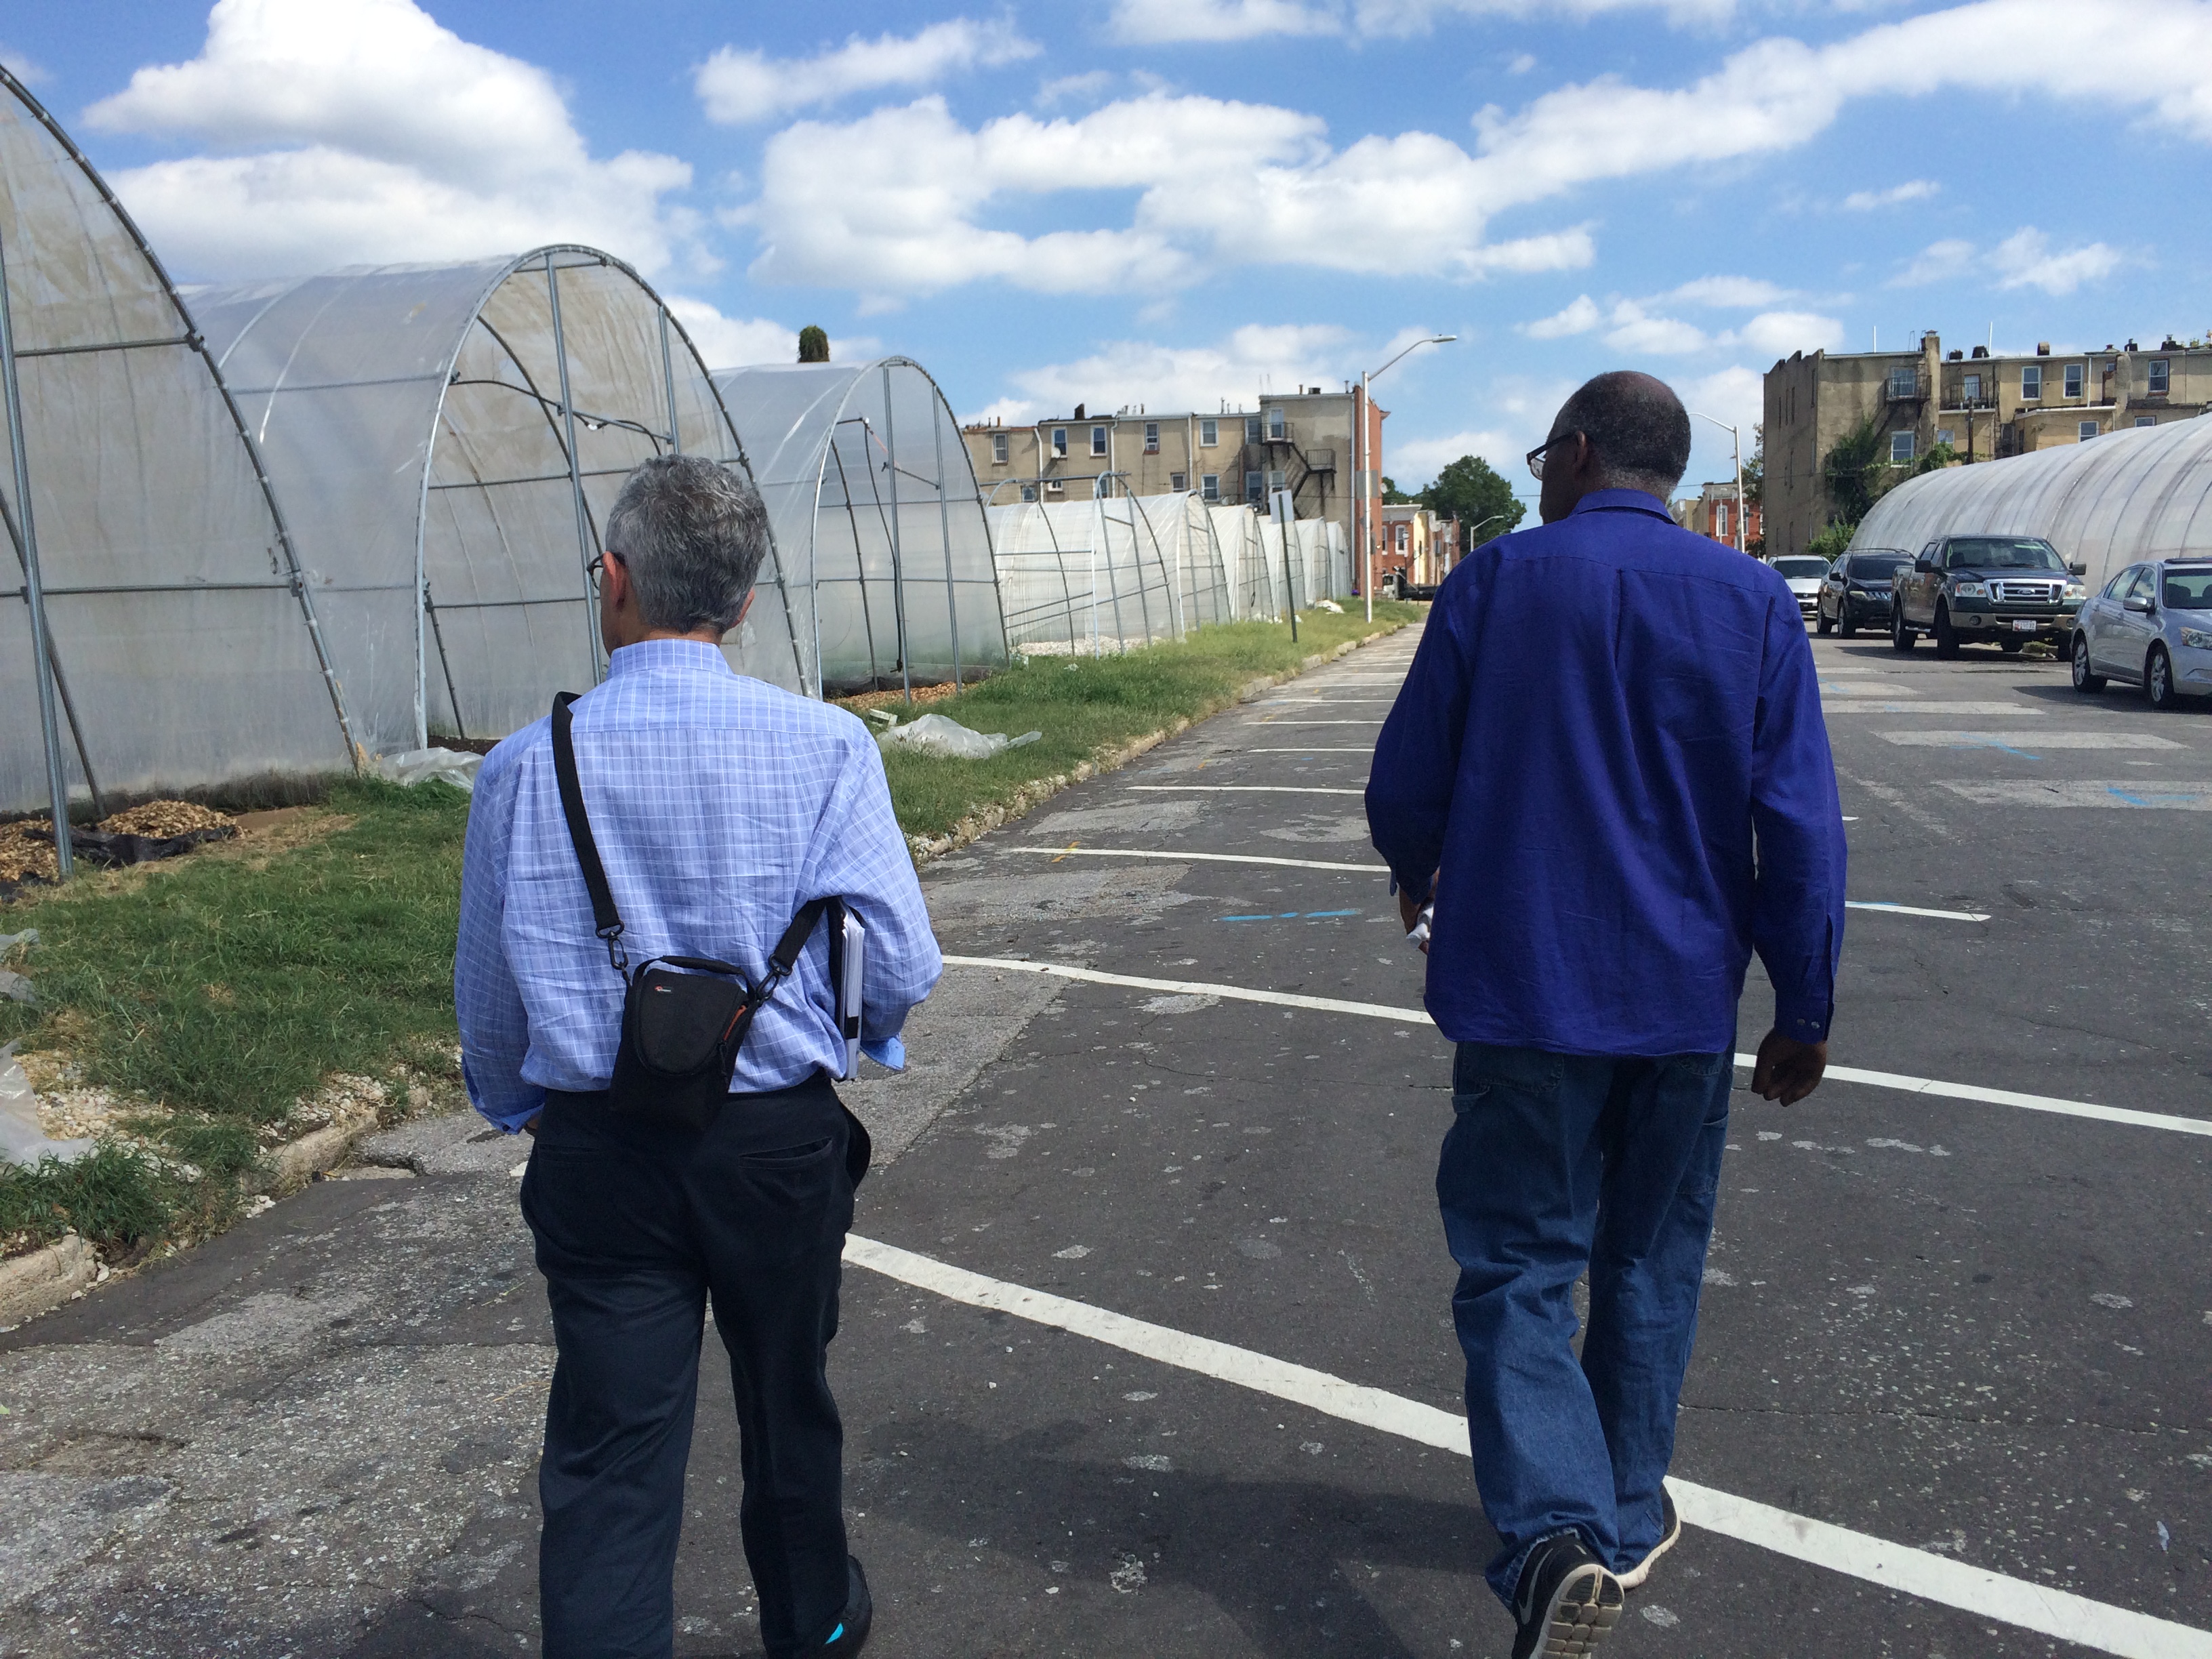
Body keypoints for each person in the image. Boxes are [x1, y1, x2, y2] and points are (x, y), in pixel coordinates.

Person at [1366, 373, 1845, 1658]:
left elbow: (1407, 780)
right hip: (1684, 1001)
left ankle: (1550, 1541)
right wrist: (1805, 1000)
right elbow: (1796, 823)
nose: (1535, 476)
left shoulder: (1497, 585)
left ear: (1577, 453)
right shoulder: (1750, 601)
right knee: (1647, 1263)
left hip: (1524, 994)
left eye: (1541, 455)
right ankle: (1622, 1520)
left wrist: (1421, 875)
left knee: (1522, 1266)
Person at [455, 454, 941, 1659]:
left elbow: (493, 999)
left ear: (613, 580)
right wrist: (849, 1032)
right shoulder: (828, 747)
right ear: (745, 605)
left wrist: (524, 1105)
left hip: (605, 1152)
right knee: (790, 1416)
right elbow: (901, 959)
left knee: (612, 1456)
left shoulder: (524, 765)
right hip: (775, 1146)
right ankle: (815, 1624)